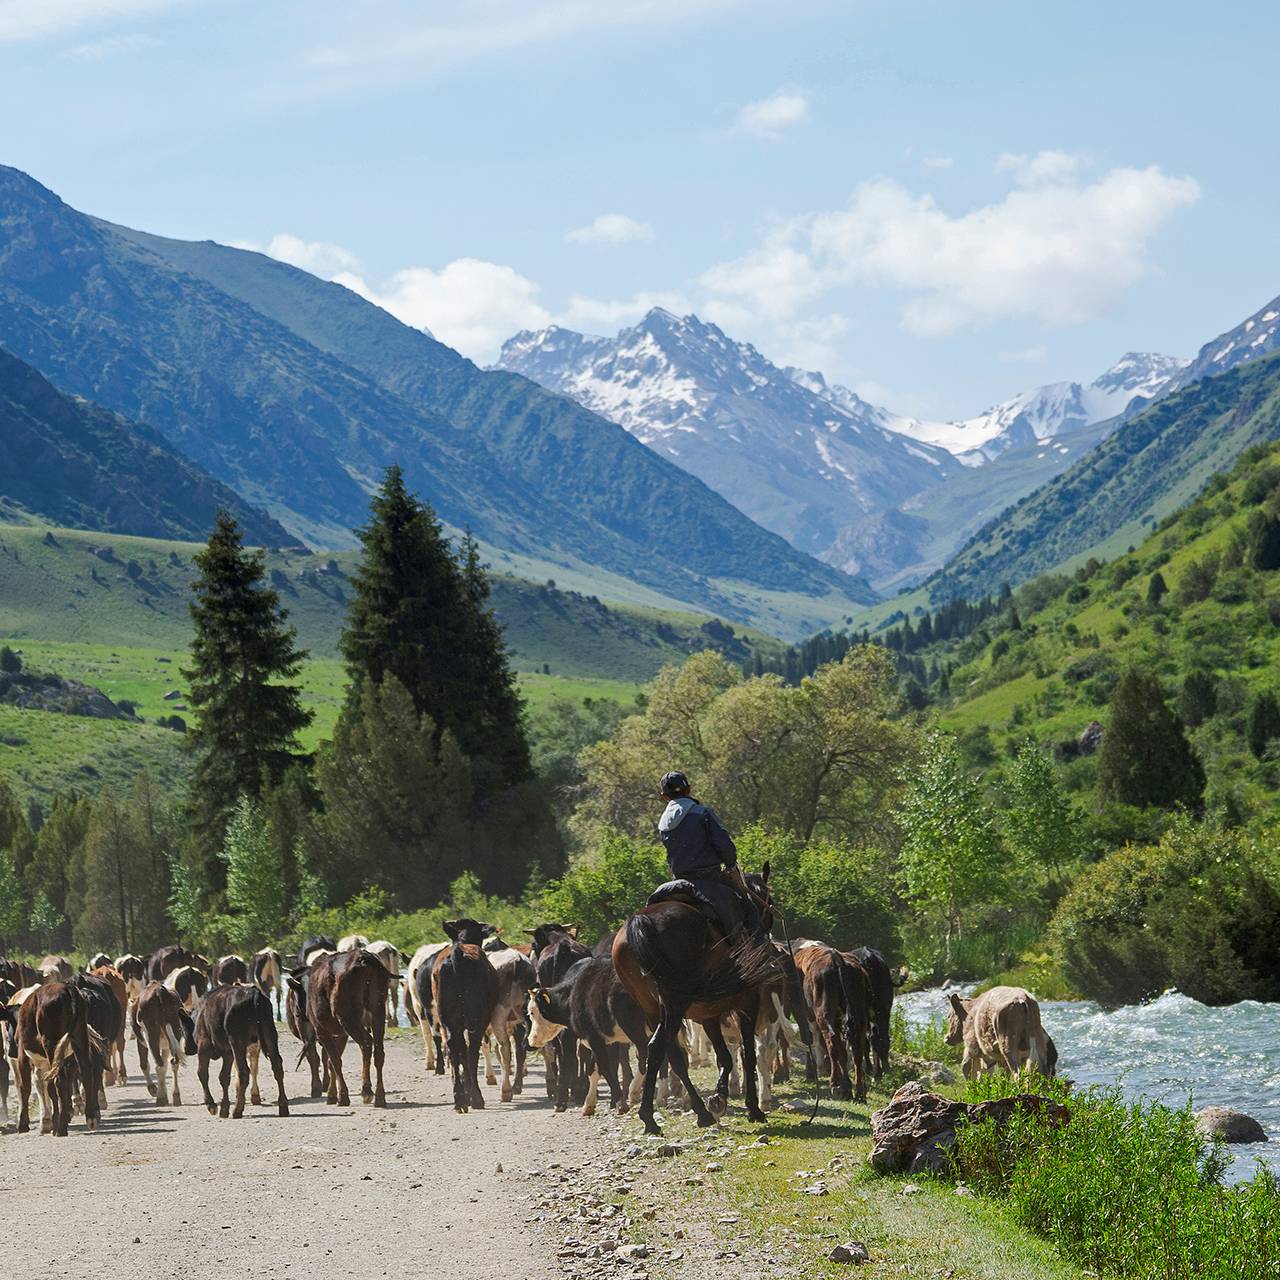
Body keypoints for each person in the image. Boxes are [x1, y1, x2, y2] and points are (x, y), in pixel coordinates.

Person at [654, 771, 763, 939]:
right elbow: (724, 845)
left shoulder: (663, 824)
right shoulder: (703, 813)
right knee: (750, 910)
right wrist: (730, 864)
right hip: (710, 878)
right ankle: (750, 954)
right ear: (689, 789)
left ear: (664, 796)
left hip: (679, 880)